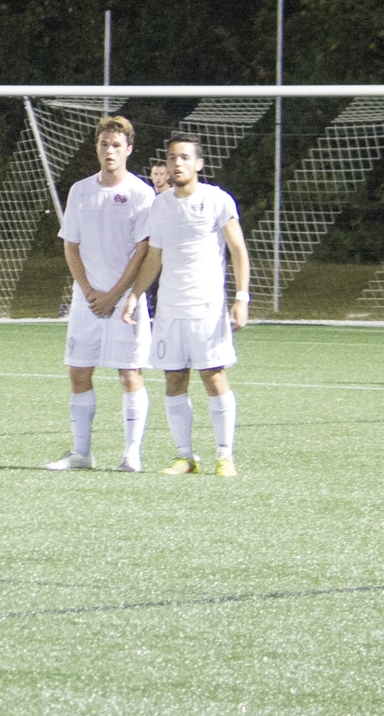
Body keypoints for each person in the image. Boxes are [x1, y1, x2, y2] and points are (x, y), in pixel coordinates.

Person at [126, 136, 251, 476]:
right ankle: (185, 457)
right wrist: (136, 295)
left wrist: (242, 298)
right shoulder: (161, 205)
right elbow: (155, 255)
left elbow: (238, 249)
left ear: (198, 164)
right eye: (171, 158)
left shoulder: (215, 199)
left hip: (207, 307)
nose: (176, 164)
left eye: (183, 158)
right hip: (169, 308)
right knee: (174, 380)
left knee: (214, 377)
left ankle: (225, 456)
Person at [46, 115, 155, 471]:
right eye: (104, 145)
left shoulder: (141, 193)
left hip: (125, 301)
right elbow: (71, 247)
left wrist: (114, 294)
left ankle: (131, 455)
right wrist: (90, 290)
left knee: (129, 374)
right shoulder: (80, 190)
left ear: (129, 150)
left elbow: (142, 251)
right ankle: (81, 453)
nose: (110, 151)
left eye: (117, 146)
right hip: (87, 300)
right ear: (97, 148)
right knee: (79, 372)